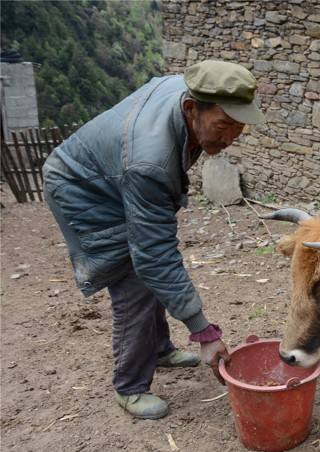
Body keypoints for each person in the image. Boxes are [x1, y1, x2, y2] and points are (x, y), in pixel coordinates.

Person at [43, 60, 265, 419]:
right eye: (224, 125)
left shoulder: (193, 89)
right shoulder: (150, 162)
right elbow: (153, 256)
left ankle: (159, 348)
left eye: (239, 127)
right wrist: (203, 331)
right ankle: (130, 386)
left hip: (116, 173)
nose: (230, 138)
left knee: (147, 272)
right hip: (83, 188)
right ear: (192, 108)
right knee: (133, 278)